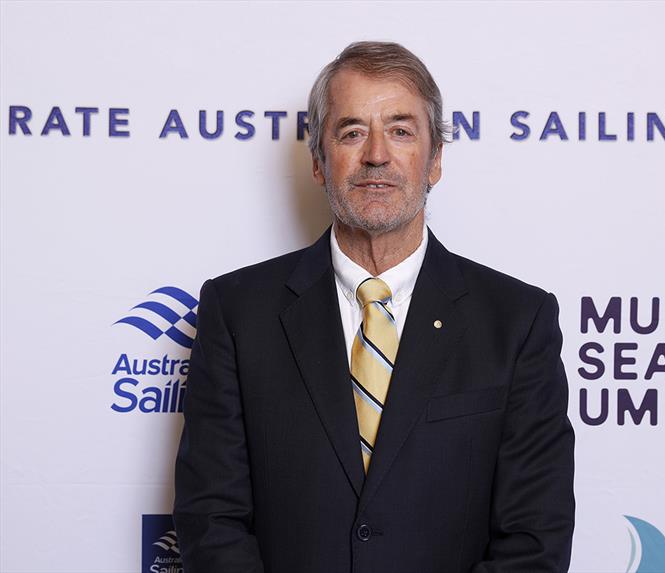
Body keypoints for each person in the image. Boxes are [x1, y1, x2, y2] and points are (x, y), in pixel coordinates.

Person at [173, 41, 575, 573]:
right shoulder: (236, 313)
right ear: (318, 161)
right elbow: (211, 519)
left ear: (434, 161)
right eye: (352, 131)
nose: (377, 155)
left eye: (402, 131)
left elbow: (533, 537)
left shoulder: (518, 321)